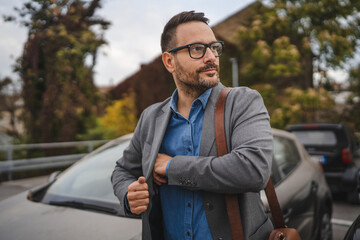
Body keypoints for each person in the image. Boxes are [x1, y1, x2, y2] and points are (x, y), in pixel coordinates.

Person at [112, 10, 274, 240]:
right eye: (197, 48)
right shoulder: (150, 117)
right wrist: (128, 194)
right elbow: (122, 170)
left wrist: (172, 167)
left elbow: (253, 169)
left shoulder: (243, 102)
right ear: (169, 61)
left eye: (214, 47)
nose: (211, 57)